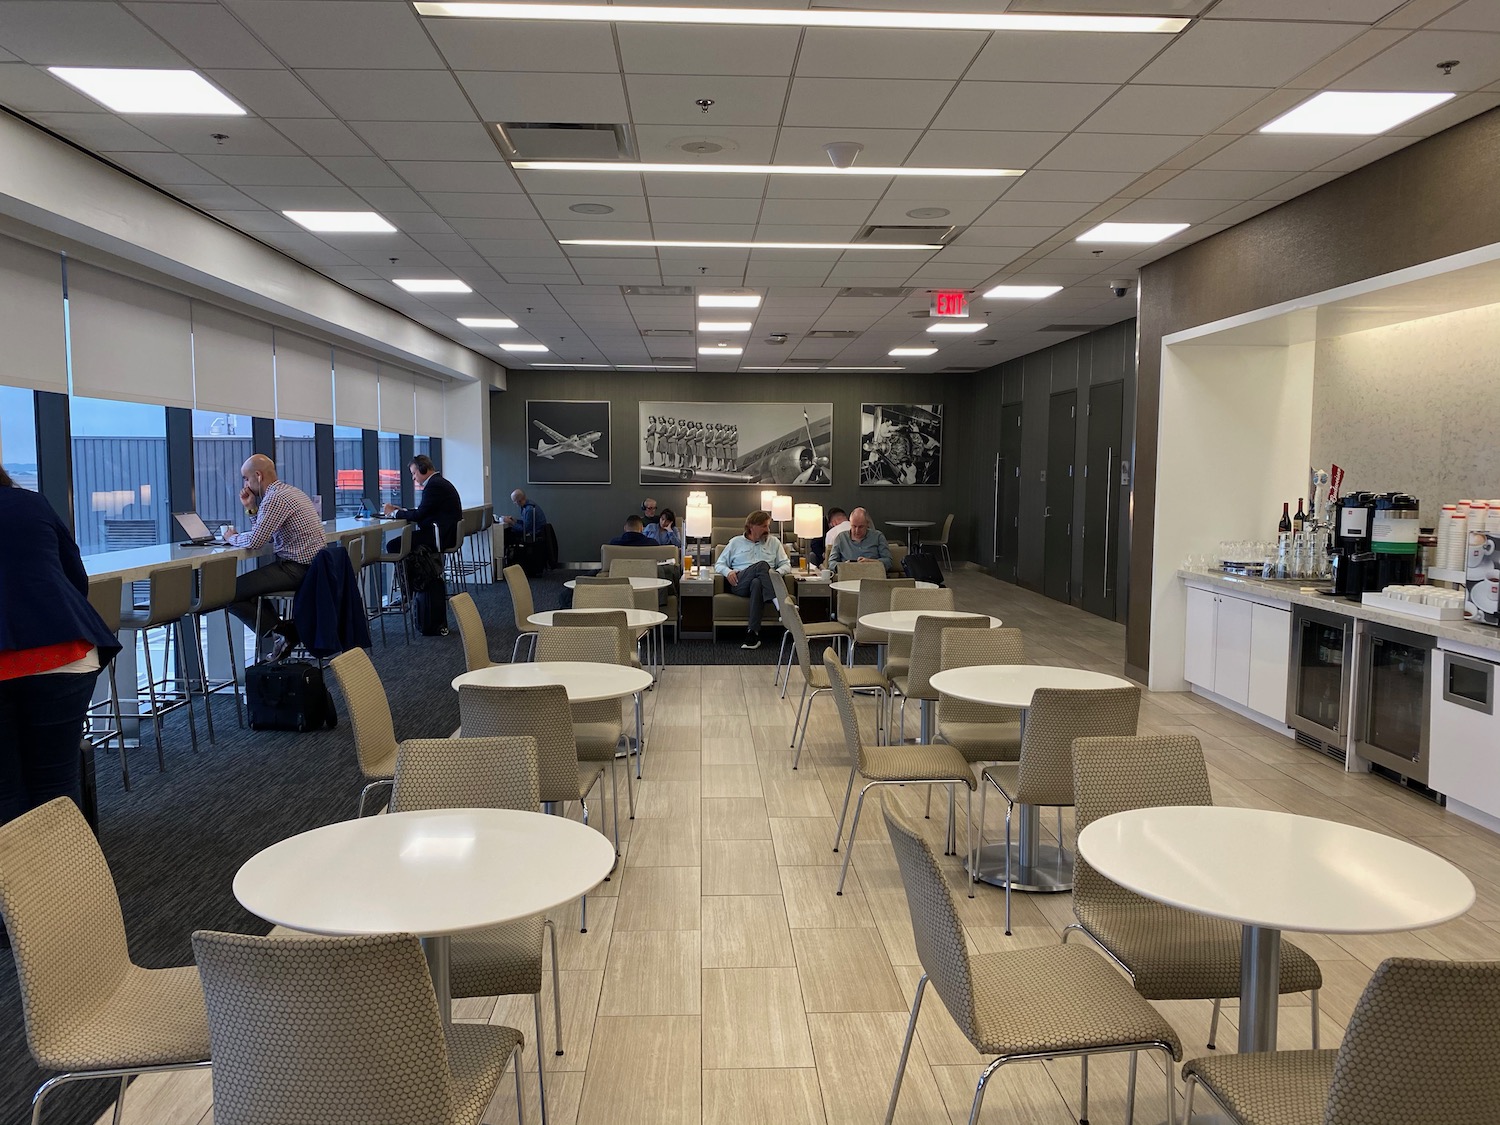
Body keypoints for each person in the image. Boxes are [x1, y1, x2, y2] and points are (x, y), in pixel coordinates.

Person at [0, 467, 121, 827]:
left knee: (5, 791)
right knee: (56, 784)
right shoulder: (31, 504)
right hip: (64, 654)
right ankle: (69, 879)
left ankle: (19, 884)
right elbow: (75, 578)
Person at [224, 454, 326, 662]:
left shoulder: (275, 498)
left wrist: (231, 538)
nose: (245, 484)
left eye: (246, 478)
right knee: (251, 591)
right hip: (312, 567)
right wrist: (251, 508)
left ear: (258, 476)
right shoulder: (290, 491)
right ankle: (282, 632)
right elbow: (266, 533)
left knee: (227, 593)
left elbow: (256, 541)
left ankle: (283, 632)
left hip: (297, 569)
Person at [714, 509, 791, 649]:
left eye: (768, 526)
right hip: (740, 582)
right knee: (762, 565)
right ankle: (780, 605)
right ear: (751, 527)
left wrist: (774, 575)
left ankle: (753, 634)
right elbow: (719, 564)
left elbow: (786, 564)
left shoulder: (774, 542)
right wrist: (728, 571)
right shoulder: (735, 542)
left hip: (762, 585)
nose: (767, 529)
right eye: (764, 526)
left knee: (757, 582)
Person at [383, 453, 461, 555]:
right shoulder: (439, 482)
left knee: (393, 545)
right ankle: (413, 570)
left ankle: (412, 571)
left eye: (414, 473)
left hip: (440, 537)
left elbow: (419, 515)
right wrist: (402, 511)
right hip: (446, 534)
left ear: (423, 469)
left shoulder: (433, 486)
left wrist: (394, 513)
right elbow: (425, 510)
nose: (413, 478)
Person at [828, 506, 893, 572]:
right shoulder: (841, 538)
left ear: (867, 524)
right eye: (854, 526)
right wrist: (843, 566)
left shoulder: (878, 536)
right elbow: (831, 563)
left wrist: (872, 562)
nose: (857, 530)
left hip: (872, 574)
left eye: (861, 527)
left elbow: (888, 562)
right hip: (848, 575)